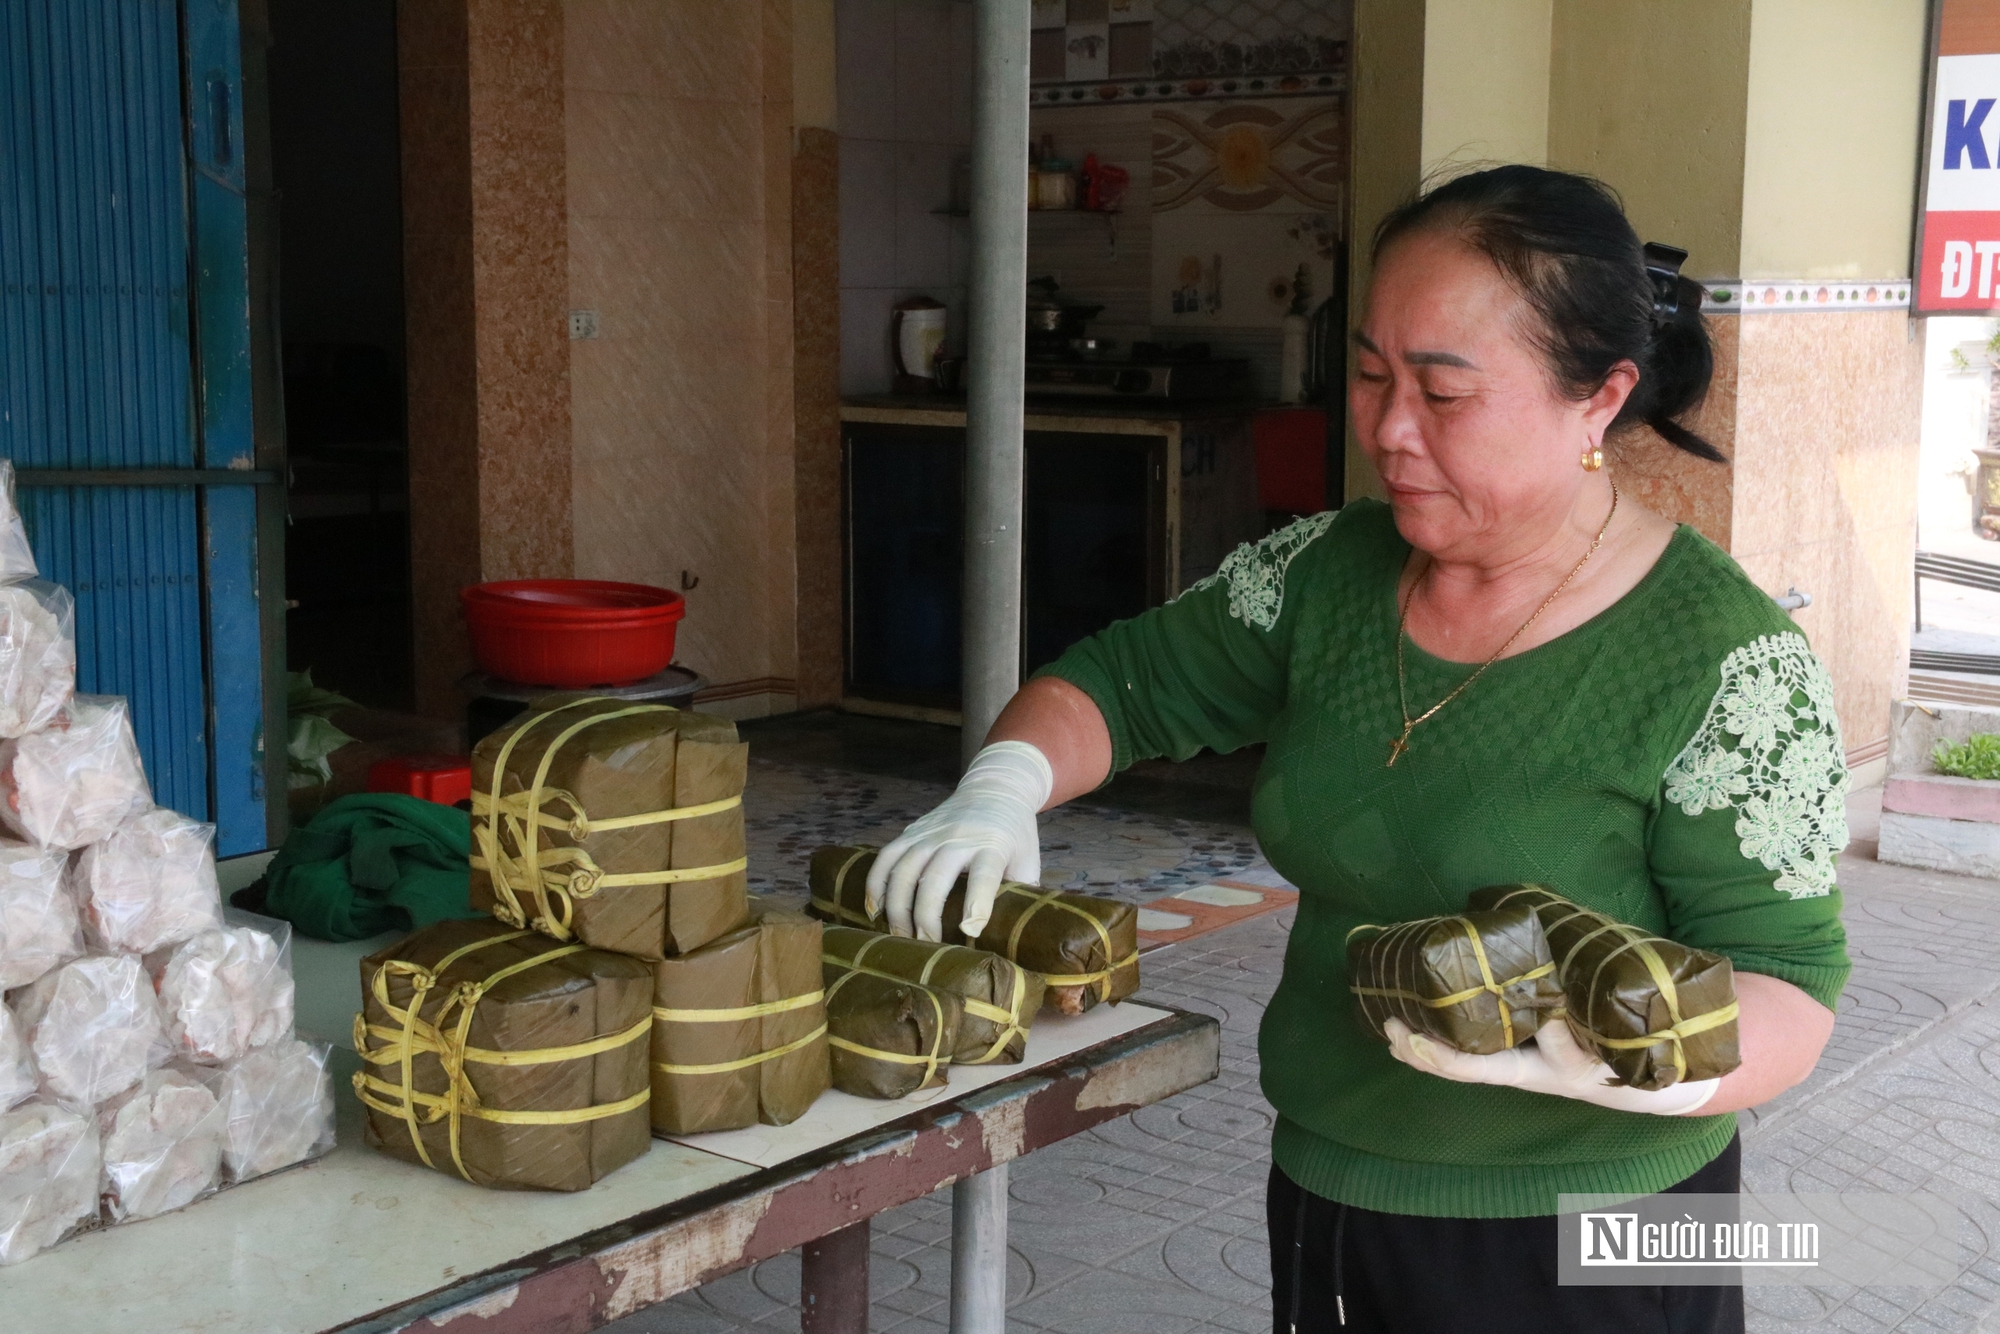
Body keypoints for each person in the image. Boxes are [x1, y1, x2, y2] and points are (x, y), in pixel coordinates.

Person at [864, 165, 1851, 1334]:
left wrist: (1652, 1067)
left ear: (1599, 397)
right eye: (1373, 375)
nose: (1385, 431)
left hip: (1620, 1211)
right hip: (1339, 1175)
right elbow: (1119, 686)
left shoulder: (1719, 660)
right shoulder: (1329, 572)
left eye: (1442, 394)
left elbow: (1787, 976)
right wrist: (1003, 783)